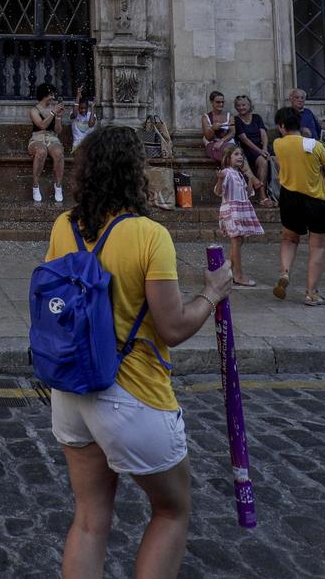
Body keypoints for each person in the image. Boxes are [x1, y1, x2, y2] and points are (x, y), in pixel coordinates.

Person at [47, 123, 233, 579]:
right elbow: (171, 327)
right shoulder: (150, 236)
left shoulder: (63, 227)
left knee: (90, 520)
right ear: (134, 173)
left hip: (71, 391)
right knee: (171, 511)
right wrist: (211, 294)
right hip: (132, 395)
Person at [271, 104, 325, 306]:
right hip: (314, 198)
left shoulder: (278, 144)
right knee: (317, 246)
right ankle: (311, 292)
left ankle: (285, 272)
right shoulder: (314, 145)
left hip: (289, 197)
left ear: (281, 126)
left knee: (289, 239)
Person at [213, 145, 267, 287]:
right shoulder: (227, 173)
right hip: (232, 210)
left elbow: (248, 194)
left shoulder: (238, 174)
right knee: (236, 241)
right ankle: (238, 275)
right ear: (228, 157)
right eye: (236, 154)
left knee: (238, 241)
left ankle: (229, 272)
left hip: (240, 210)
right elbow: (218, 192)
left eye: (241, 154)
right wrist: (219, 179)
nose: (240, 157)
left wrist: (250, 181)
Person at [229, 95, 273, 206]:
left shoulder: (257, 117)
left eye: (244, 105)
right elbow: (244, 139)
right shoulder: (237, 120)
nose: (241, 107)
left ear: (249, 106)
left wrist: (264, 148)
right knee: (262, 161)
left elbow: (263, 133)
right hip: (247, 149)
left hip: (260, 148)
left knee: (270, 160)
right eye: (238, 105)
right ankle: (262, 196)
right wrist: (260, 151)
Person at [29, 83, 67, 205]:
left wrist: (59, 117)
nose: (53, 97)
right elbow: (42, 125)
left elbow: (58, 131)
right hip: (37, 139)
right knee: (41, 151)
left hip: (52, 138)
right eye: (50, 94)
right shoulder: (34, 110)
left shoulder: (54, 109)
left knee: (59, 153)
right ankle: (35, 185)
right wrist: (53, 113)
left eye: (53, 94)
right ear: (44, 95)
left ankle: (58, 186)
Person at [200, 90, 233, 163]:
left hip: (228, 143)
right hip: (212, 144)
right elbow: (208, 137)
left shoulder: (229, 116)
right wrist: (212, 128)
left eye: (222, 102)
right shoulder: (206, 117)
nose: (221, 104)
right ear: (212, 102)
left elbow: (232, 132)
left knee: (235, 151)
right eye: (218, 102)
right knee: (229, 152)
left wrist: (222, 141)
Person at [68, 88, 97, 153]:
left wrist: (92, 107)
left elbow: (91, 124)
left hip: (89, 143)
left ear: (87, 107)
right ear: (78, 107)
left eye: (85, 108)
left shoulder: (91, 115)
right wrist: (78, 96)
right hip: (77, 144)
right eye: (81, 108)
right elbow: (75, 115)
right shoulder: (74, 113)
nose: (83, 110)